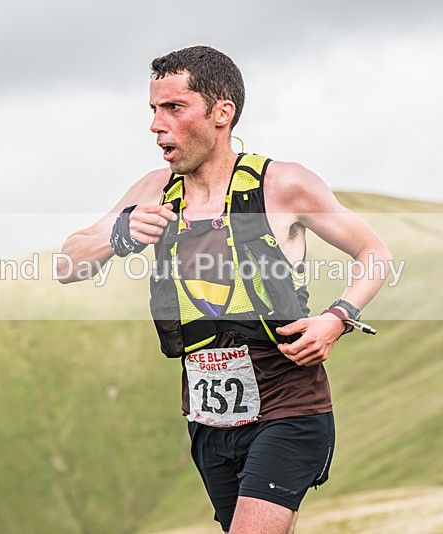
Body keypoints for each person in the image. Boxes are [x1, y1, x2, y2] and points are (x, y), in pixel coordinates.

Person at [58, 45, 392, 534]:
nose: (156, 125)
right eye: (153, 109)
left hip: (288, 408)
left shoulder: (282, 185)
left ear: (221, 113)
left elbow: (374, 253)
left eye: (174, 107)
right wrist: (120, 235)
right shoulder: (154, 190)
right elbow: (67, 264)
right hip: (209, 420)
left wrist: (337, 318)